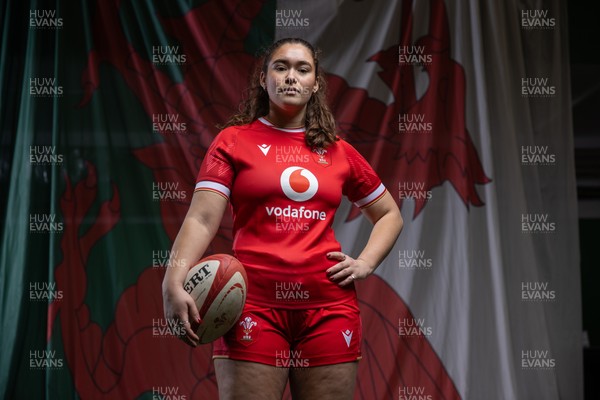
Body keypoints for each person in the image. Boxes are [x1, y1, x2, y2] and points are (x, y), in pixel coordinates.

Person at [162, 37, 403, 400]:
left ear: (315, 84)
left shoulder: (338, 151)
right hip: (252, 307)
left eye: (302, 69)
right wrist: (172, 282)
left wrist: (366, 262)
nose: (292, 76)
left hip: (328, 308)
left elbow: (389, 214)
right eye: (281, 67)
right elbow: (201, 219)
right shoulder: (233, 142)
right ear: (264, 79)